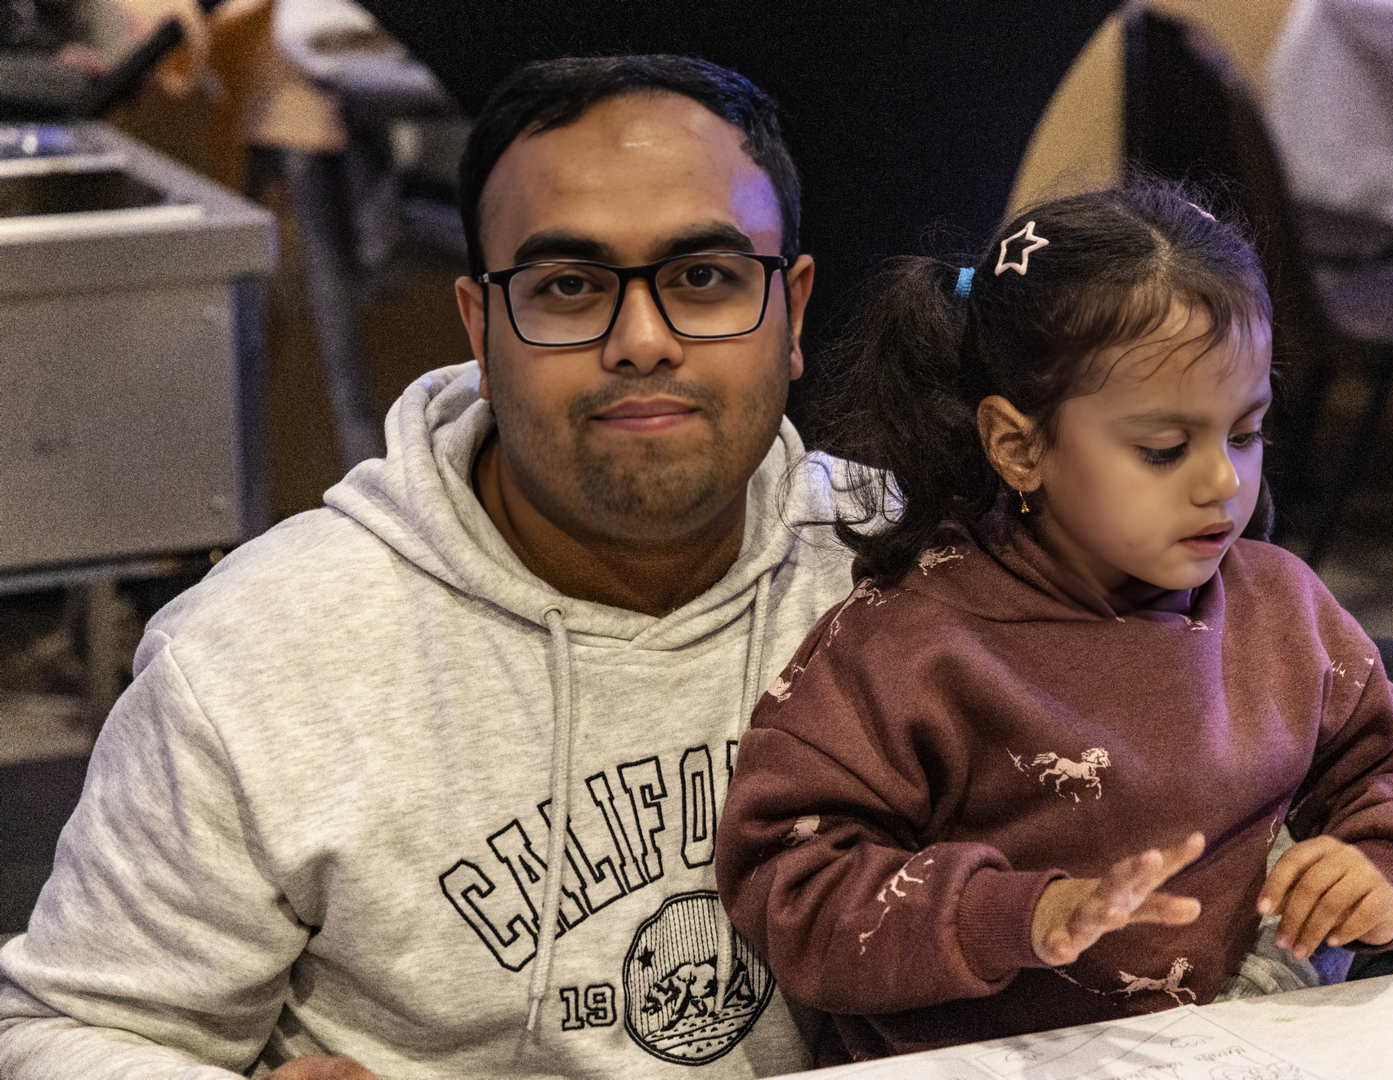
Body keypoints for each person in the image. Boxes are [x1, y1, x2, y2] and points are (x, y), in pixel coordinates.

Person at [0, 55, 858, 1079]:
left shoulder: (918, 571)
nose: (642, 339)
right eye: (569, 286)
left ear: (792, 311)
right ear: (481, 330)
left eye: (704, 278)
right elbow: (57, 1034)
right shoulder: (253, 657)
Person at [714, 184, 1393, 1064]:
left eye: (1246, 433)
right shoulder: (907, 646)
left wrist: (1381, 863)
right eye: (1163, 450)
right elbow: (793, 883)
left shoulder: (1284, 609)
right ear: (1019, 446)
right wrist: (1022, 914)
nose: (1223, 482)